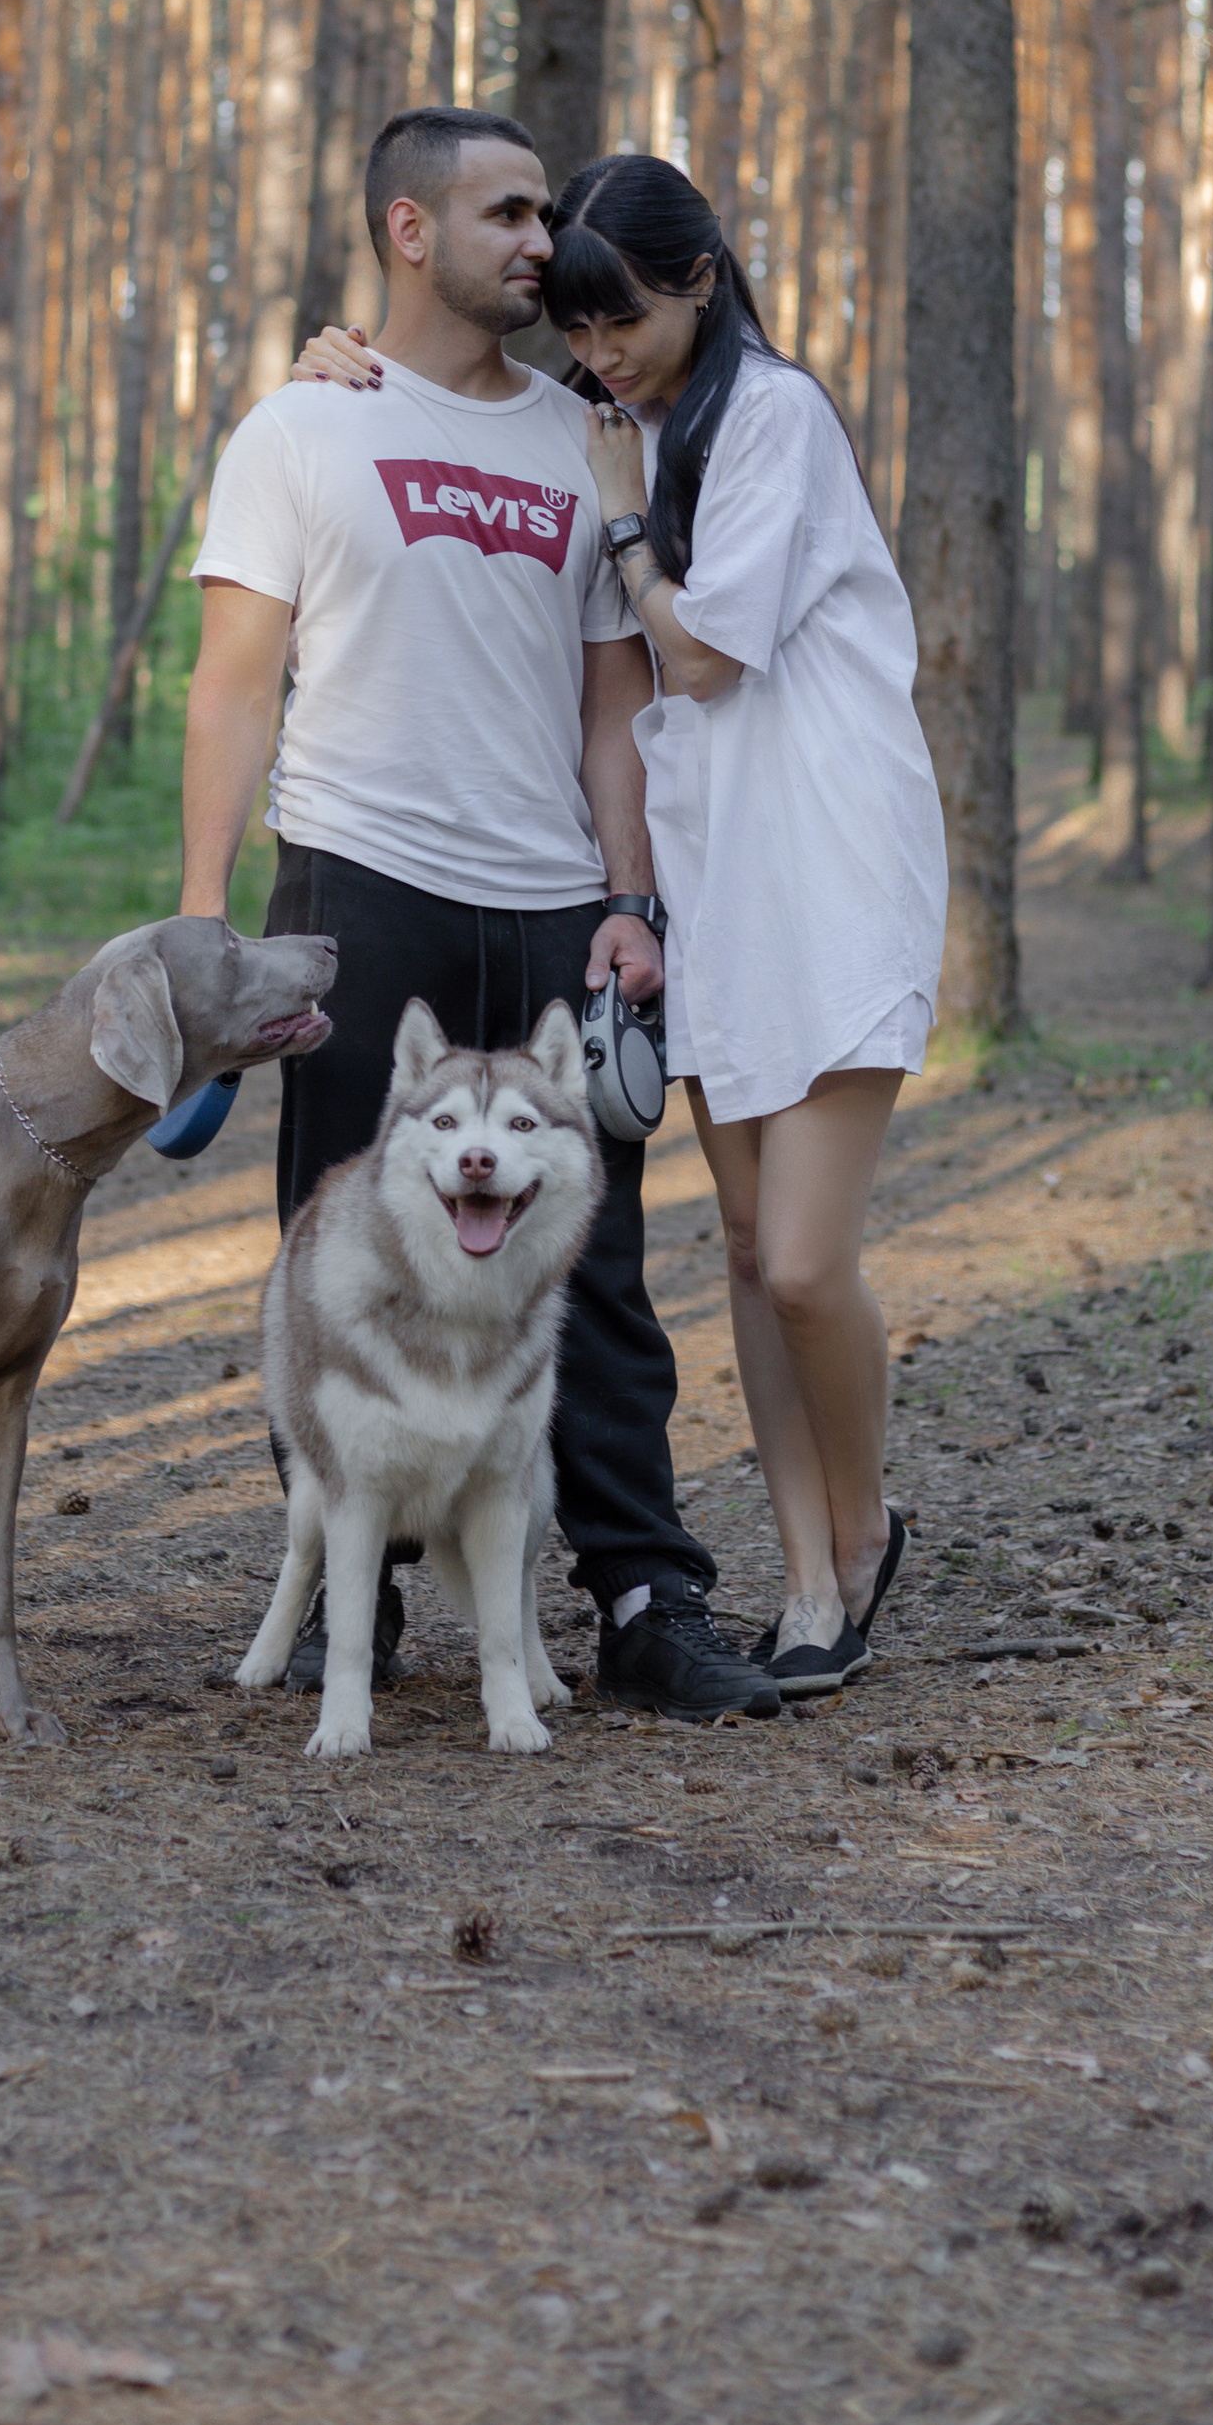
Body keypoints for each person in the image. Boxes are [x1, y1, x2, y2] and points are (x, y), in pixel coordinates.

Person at [297, 151, 947, 1700]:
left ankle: (863, 1530)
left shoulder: (770, 417)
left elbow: (708, 653)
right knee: (735, 1247)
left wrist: (626, 525)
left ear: (706, 279)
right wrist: (340, 360)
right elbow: (463, 401)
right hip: (715, 886)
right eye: (580, 328)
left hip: (836, 872)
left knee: (801, 1263)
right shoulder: (627, 424)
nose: (600, 352)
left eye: (627, 320)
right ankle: (801, 1574)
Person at [178, 108, 783, 1722]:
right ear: (406, 229)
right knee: (343, 1258)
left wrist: (629, 898)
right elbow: (234, 688)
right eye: (507, 213)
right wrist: (202, 923)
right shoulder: (298, 434)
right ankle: (338, 1585)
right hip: (357, 884)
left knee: (593, 1269)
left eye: (545, 215)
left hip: (550, 908)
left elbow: (613, 708)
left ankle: (647, 1595)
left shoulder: (589, 442)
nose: (540, 240)